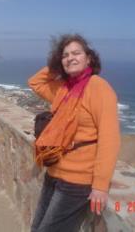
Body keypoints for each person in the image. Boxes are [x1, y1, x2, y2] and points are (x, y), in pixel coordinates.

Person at [28, 34, 121, 232]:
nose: (70, 57)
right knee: (36, 227)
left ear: (89, 58)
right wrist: (57, 66)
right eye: (65, 55)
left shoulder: (99, 88)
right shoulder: (63, 88)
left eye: (76, 53)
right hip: (53, 171)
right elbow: (35, 82)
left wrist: (101, 185)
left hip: (77, 181)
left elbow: (109, 139)